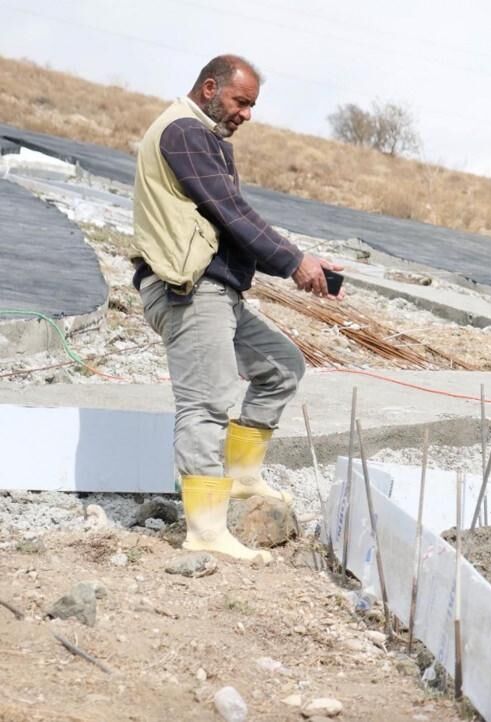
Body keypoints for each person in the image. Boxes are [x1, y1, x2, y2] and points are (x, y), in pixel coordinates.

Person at [131, 55, 343, 563]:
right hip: (188, 292)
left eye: (251, 106)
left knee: (281, 367)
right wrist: (294, 261)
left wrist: (303, 263)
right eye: (240, 101)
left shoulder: (203, 137)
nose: (246, 114)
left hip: (217, 293)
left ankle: (242, 479)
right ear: (210, 88)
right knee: (205, 404)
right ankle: (205, 530)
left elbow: (230, 227)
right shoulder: (184, 132)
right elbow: (233, 212)